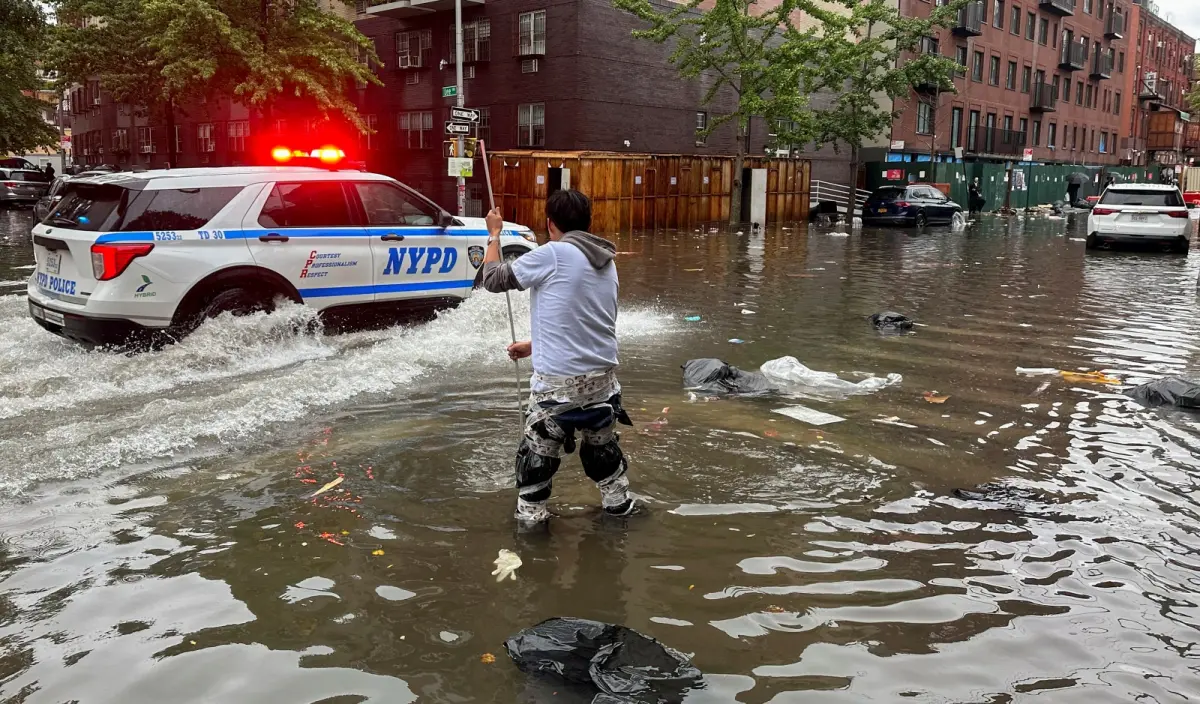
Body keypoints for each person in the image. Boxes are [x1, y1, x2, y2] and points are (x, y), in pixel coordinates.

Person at [482, 190, 634, 523]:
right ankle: (620, 514)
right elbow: (586, 320)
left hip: (556, 391)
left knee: (535, 466)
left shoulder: (553, 253)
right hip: (604, 387)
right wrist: (535, 345)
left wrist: (493, 234)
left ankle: (533, 539)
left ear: (550, 225)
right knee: (604, 459)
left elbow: (492, 280)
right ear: (588, 222)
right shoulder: (605, 260)